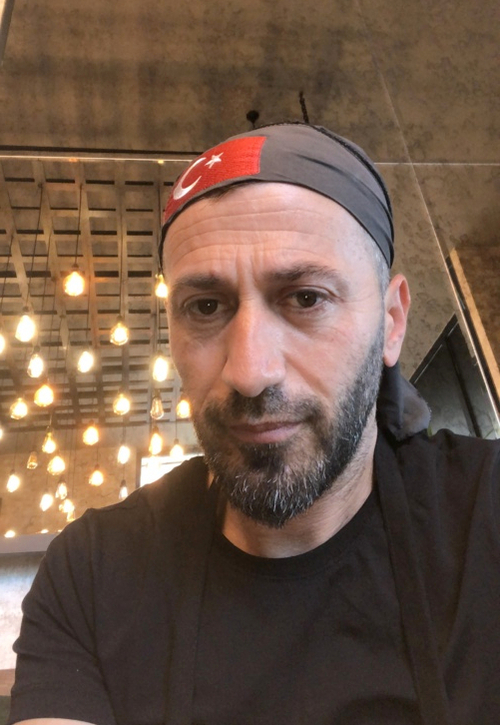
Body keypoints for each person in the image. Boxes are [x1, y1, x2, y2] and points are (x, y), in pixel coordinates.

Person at [8, 123, 500, 725]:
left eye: (306, 298)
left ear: (391, 323)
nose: (248, 372)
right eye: (205, 307)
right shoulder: (93, 575)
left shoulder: (488, 516)